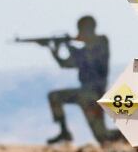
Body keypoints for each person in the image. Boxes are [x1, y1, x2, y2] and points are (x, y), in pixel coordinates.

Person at [46, 15, 110, 145]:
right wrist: (55, 51)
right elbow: (67, 64)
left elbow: (85, 56)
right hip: (85, 94)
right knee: (55, 97)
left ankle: (133, 139)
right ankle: (64, 132)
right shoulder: (85, 49)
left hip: (93, 94)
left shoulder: (101, 42)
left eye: (81, 30)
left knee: (103, 137)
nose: (79, 33)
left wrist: (68, 45)